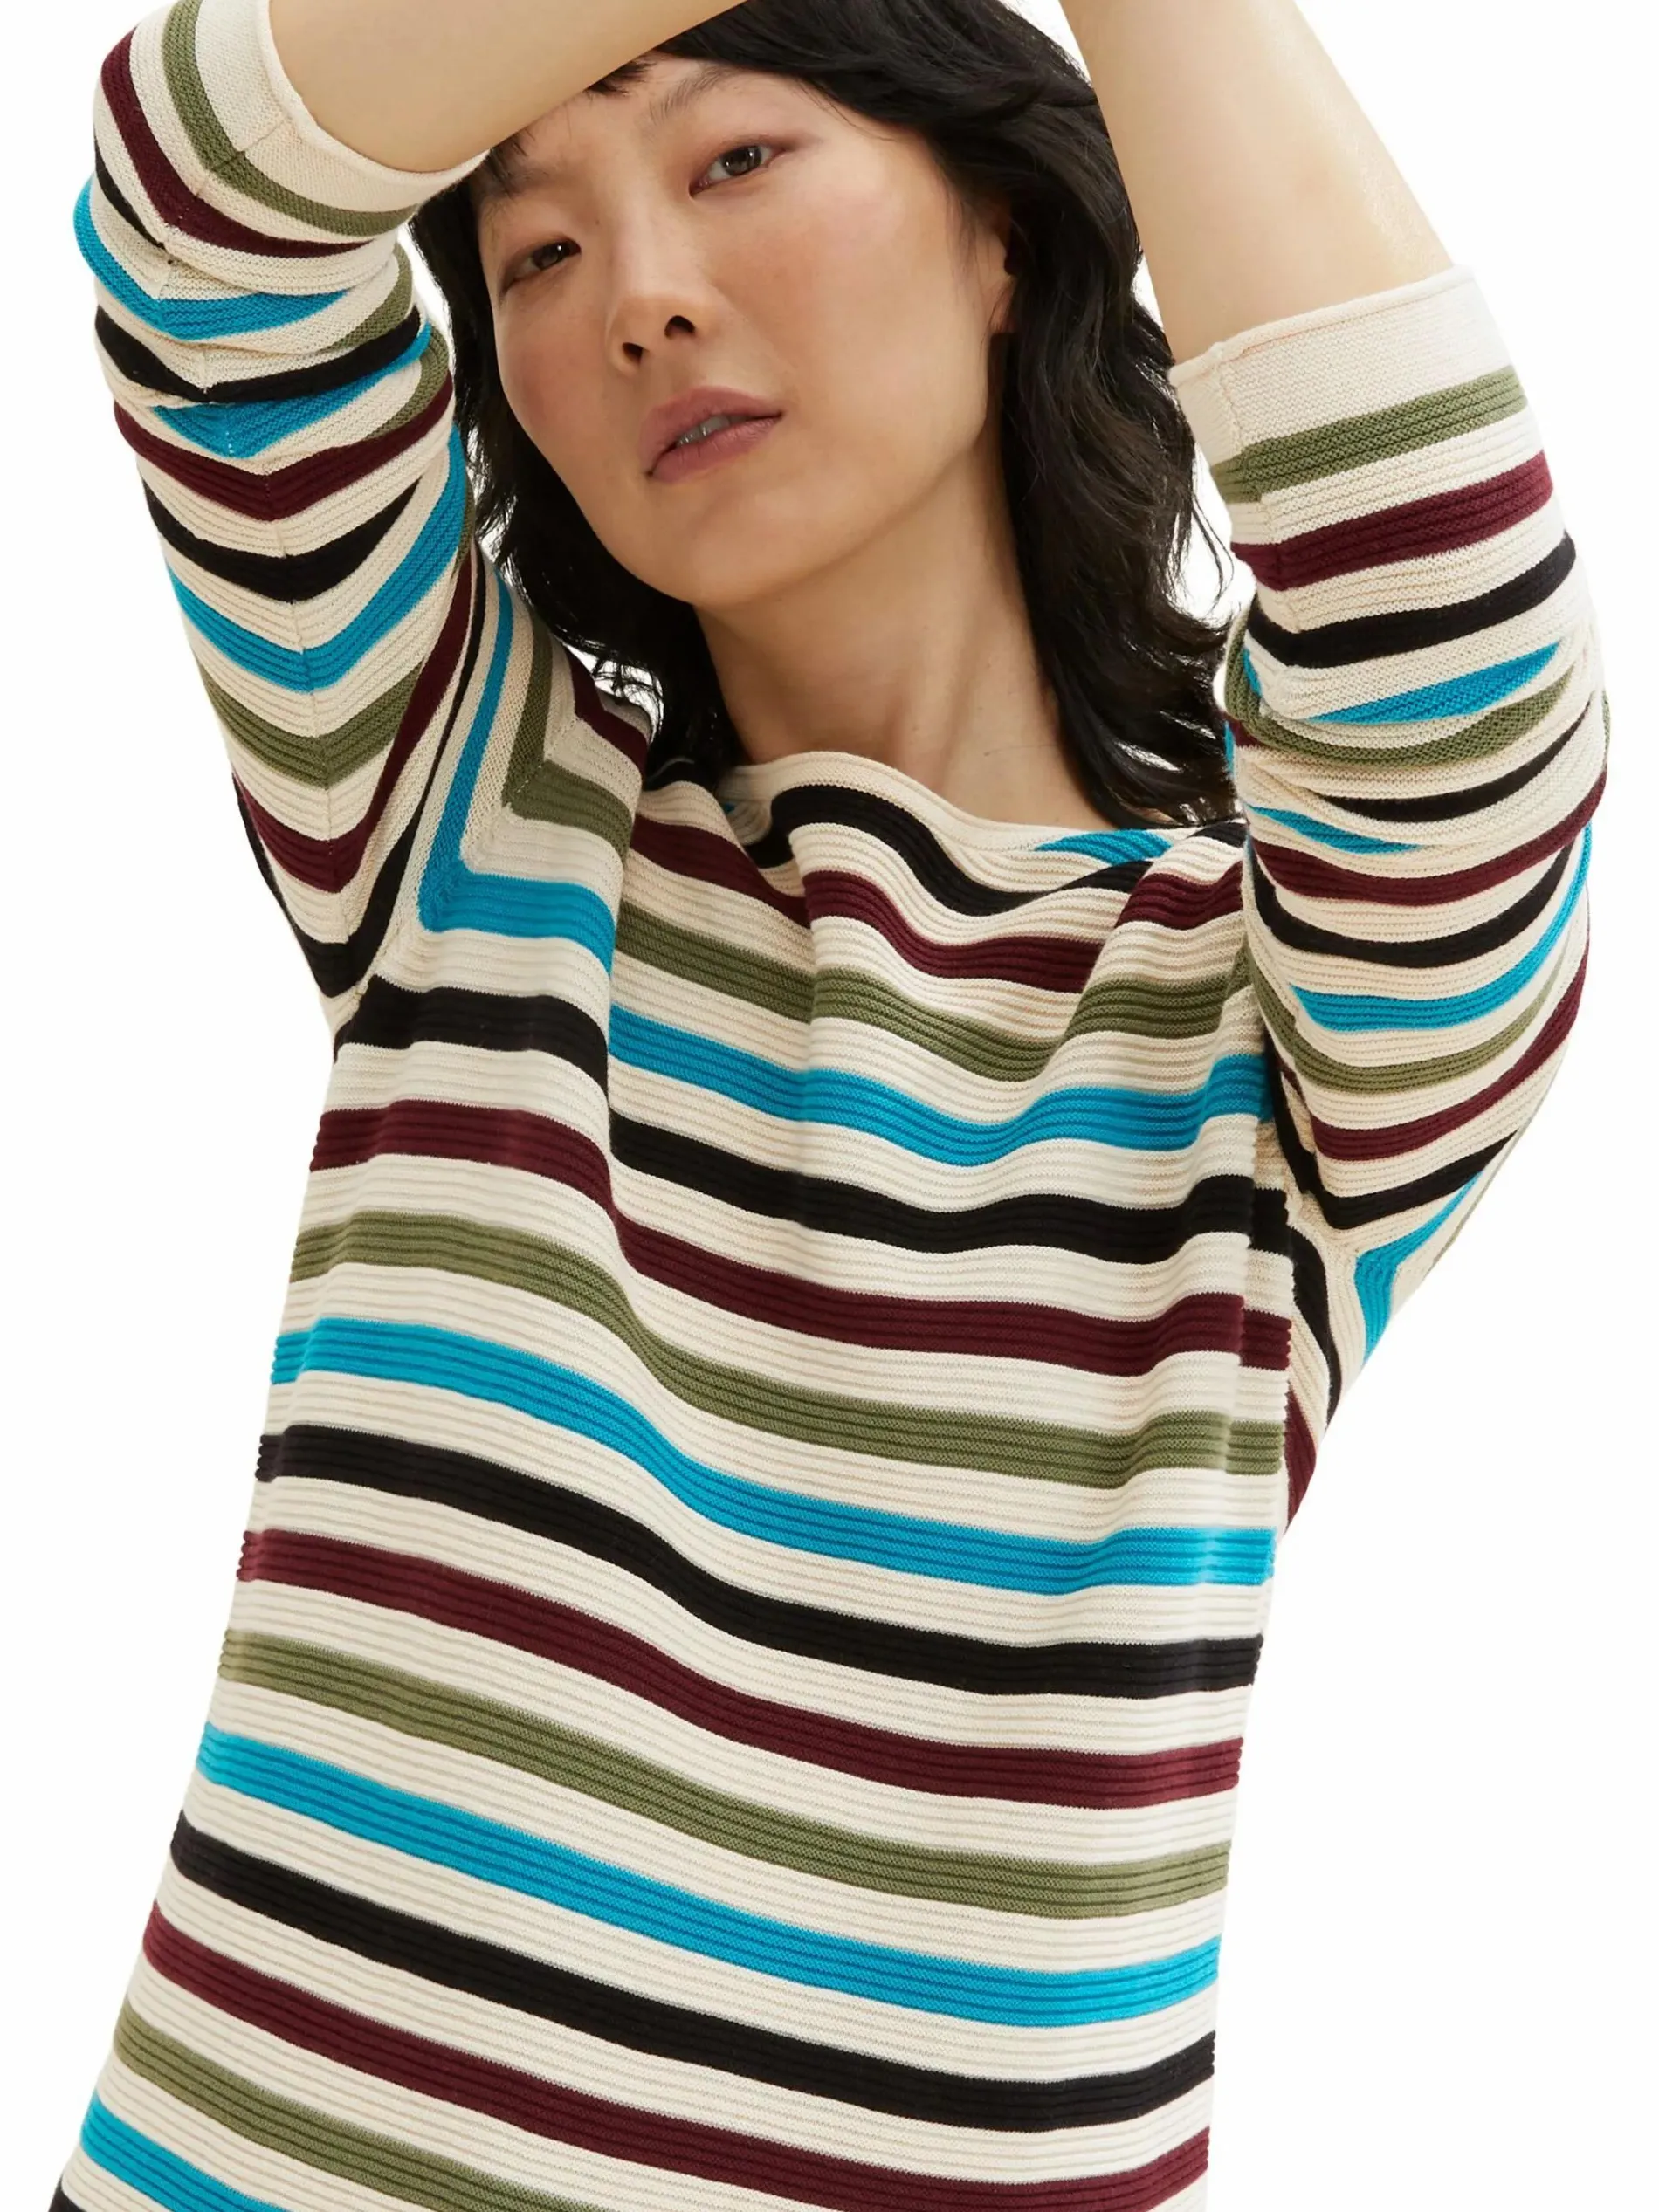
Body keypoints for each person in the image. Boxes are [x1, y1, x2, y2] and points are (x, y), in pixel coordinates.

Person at [54, 0, 1607, 2202]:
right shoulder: (468, 823)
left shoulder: (1279, 1029)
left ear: (1002, 234)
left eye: (734, 163)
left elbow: (1442, 644)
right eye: (533, 255)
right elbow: (195, 213)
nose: (639, 294)